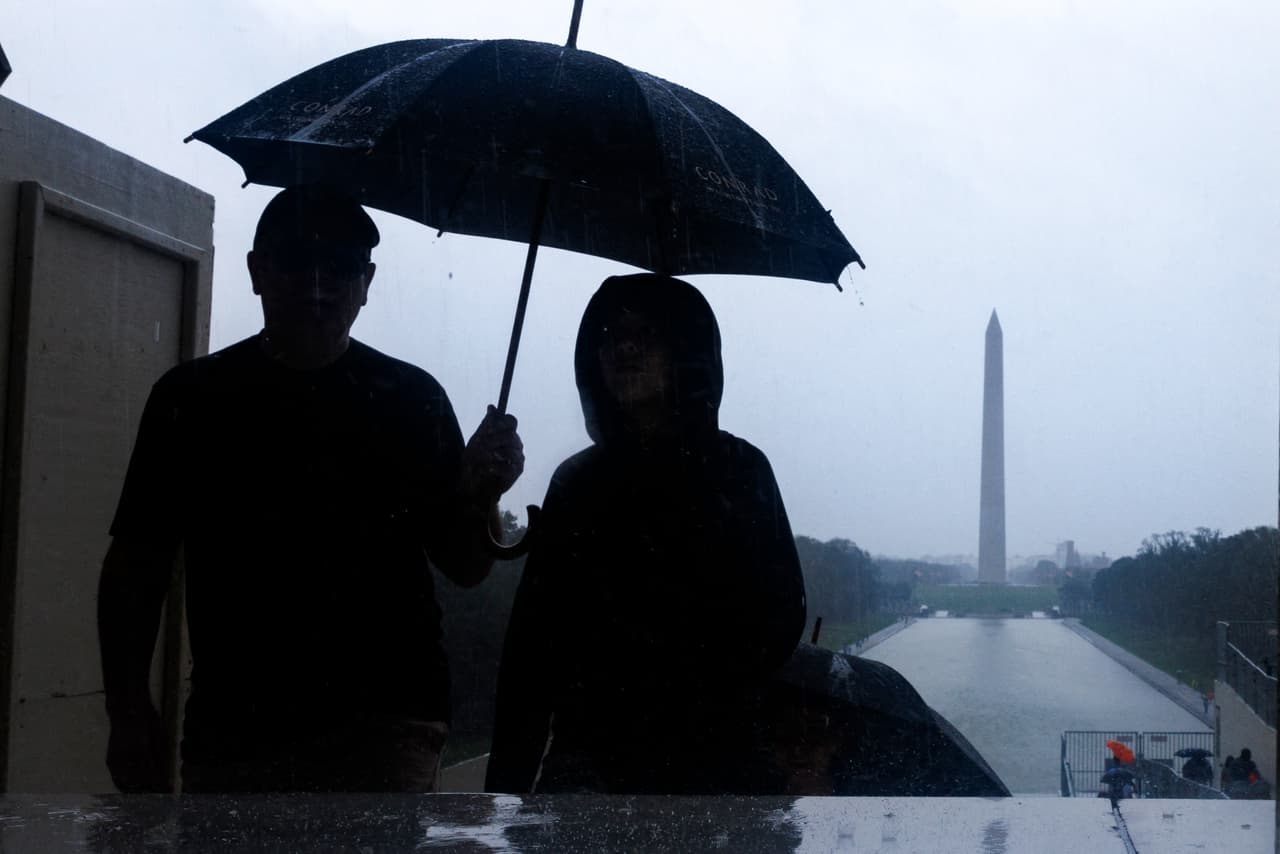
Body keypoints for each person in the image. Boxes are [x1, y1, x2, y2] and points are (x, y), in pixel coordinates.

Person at [98, 185, 524, 793]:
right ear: (257, 271)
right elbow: (134, 568)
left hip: (387, 728)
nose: (318, 284)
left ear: (367, 280)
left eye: (341, 267)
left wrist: (482, 492)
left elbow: (463, 564)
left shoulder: (415, 401)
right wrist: (128, 710)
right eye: (297, 261)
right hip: (236, 730)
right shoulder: (188, 403)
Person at [485, 274, 806, 795]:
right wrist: (503, 797)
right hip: (593, 767)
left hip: (719, 767)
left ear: (686, 352)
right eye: (611, 334)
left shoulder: (741, 472)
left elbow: (780, 618)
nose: (624, 347)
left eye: (647, 334)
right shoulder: (576, 484)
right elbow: (531, 657)